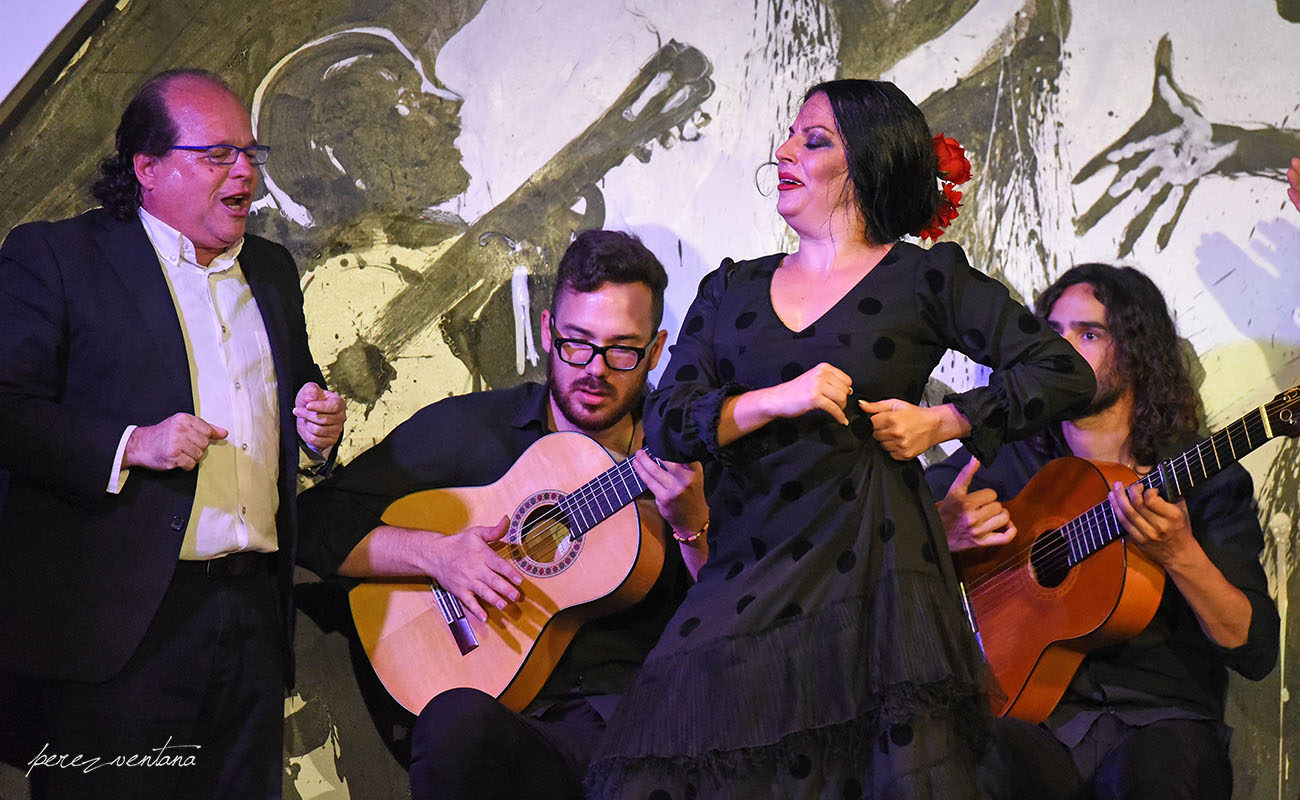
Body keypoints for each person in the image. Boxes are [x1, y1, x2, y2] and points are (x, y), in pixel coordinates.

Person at [584, 79, 1097, 799]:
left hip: (875, 577)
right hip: (748, 572)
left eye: (814, 139)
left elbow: (1061, 369)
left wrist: (946, 420)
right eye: (791, 136)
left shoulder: (922, 279)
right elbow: (670, 421)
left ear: (866, 165)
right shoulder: (732, 290)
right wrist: (773, 400)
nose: (786, 151)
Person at [0, 69, 345, 799]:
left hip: (251, 617)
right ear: (148, 168)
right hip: (120, 627)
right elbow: (7, 408)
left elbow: (299, 387)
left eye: (252, 154)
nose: (245, 172)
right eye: (218, 155)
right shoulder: (60, 259)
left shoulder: (274, 271)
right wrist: (132, 445)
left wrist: (317, 422)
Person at [295, 229, 709, 800]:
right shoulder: (474, 431)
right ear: (546, 332)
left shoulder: (685, 452)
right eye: (577, 343)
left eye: (622, 349)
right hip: (499, 723)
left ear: (656, 350)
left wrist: (691, 528)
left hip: (632, 727)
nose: (595, 369)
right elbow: (315, 522)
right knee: (455, 722)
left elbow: (736, 625)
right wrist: (439, 556)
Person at [925, 263, 1279, 799]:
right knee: (961, 762)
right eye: (1053, 334)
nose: (1063, 350)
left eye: (1088, 333)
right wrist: (941, 534)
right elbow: (900, 521)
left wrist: (1181, 554)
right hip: (1035, 721)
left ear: (1137, 352)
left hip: (1161, 720)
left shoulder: (1205, 477)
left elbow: (1253, 649)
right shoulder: (1010, 461)